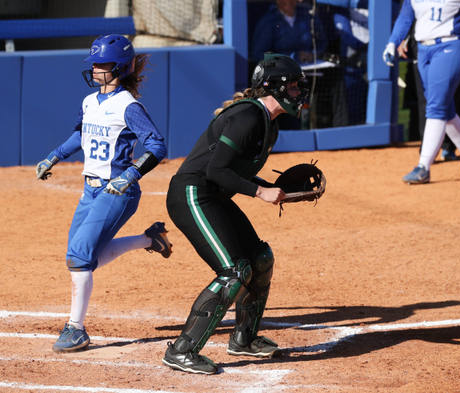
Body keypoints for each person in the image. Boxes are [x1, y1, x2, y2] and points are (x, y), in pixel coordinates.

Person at [162, 53, 308, 375]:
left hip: (212, 195)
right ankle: (182, 350)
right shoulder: (248, 117)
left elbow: (233, 171)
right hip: (192, 195)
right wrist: (261, 192)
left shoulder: (269, 125)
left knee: (259, 258)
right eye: (295, 86)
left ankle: (243, 339)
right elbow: (216, 171)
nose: (300, 92)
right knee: (233, 272)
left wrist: (271, 187)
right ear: (276, 87)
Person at [35, 34, 172, 353]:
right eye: (94, 63)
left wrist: (131, 174)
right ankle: (150, 240)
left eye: (102, 63)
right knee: (82, 257)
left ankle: (76, 329)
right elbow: (80, 135)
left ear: (121, 67)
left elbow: (157, 145)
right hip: (89, 190)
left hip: (117, 190)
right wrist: (53, 156)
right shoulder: (89, 102)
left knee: (79, 256)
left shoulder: (128, 105)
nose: (95, 68)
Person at [383, 0, 460, 184]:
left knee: (435, 107)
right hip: (423, 50)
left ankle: (423, 167)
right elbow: (405, 17)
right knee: (446, 109)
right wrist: (392, 43)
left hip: (452, 45)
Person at [398, 19, 460, 161]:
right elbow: (407, 11)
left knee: (450, 100)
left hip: (453, 45)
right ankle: (428, 153)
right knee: (427, 100)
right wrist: (400, 38)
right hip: (422, 45)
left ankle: (449, 148)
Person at [250, 0, 326, 130]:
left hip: (312, 73)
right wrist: (292, 57)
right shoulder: (269, 21)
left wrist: (312, 54)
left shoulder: (308, 17)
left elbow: (322, 43)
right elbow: (258, 54)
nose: (288, 1)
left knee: (335, 81)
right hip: (282, 77)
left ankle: (331, 126)